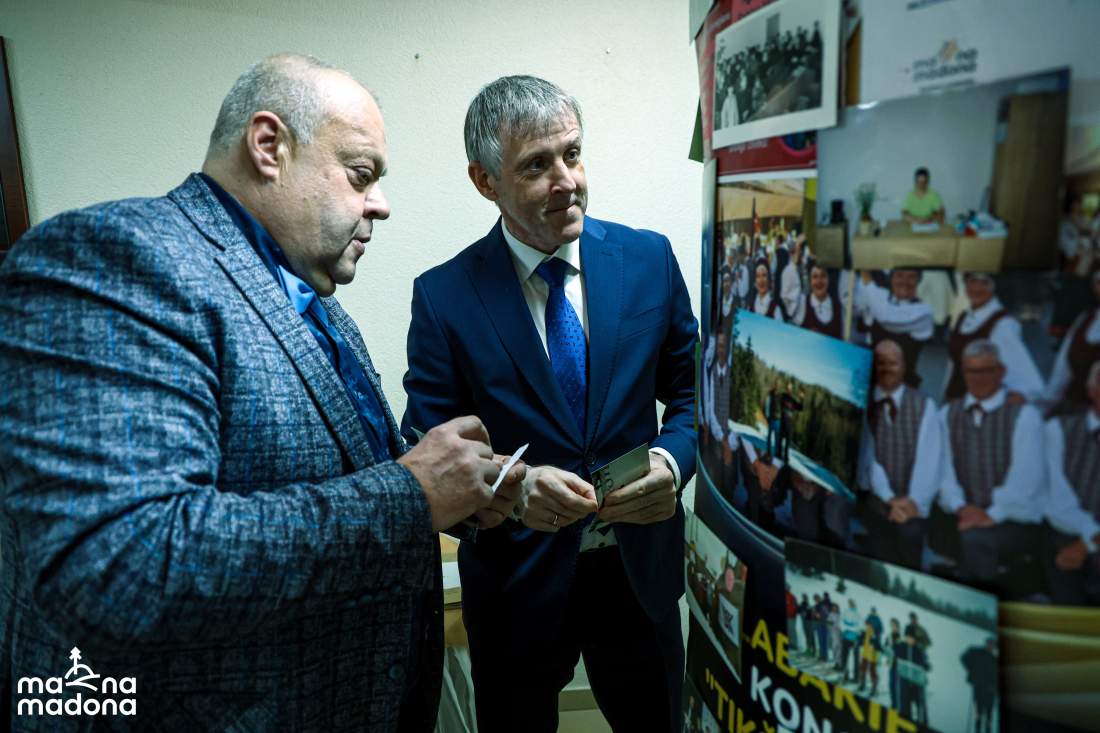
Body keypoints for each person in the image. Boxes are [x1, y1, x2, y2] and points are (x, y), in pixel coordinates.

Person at [0, 54, 520, 731]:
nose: (381, 204)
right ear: (269, 146)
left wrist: (472, 490)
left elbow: (351, 470)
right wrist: (413, 496)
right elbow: (124, 563)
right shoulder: (113, 257)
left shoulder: (319, 304)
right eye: (360, 174)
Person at [401, 76, 698, 733]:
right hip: (516, 593)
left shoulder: (648, 259)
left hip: (640, 577)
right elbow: (427, 448)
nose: (568, 181)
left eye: (573, 153)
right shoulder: (444, 298)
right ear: (485, 181)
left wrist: (671, 463)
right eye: (537, 165)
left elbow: (695, 393)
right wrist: (511, 490)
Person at [938, 340, 1045, 591]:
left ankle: (986, 597)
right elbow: (943, 471)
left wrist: (991, 515)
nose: (978, 378)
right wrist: (961, 506)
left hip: (1014, 516)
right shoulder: (948, 414)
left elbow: (1026, 480)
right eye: (971, 371)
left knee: (975, 539)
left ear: (1001, 372)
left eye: (986, 370)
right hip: (965, 512)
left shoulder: (1024, 416)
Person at [859, 340, 943, 569]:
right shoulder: (865, 402)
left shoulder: (924, 405)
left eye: (893, 363)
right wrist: (889, 498)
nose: (887, 368)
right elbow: (869, 459)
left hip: (914, 504)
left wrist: (911, 502)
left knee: (909, 550)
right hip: (879, 501)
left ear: (904, 366)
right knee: (881, 562)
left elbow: (930, 459)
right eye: (880, 363)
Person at [1042, 360, 1100, 606]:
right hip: (1066, 533)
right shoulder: (1057, 430)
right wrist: (1089, 539)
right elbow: (1056, 499)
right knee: (1059, 552)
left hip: (1087, 542)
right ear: (1090, 389)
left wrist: (1088, 544)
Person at [943, 272, 1044, 403]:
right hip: (955, 400)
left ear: (994, 286)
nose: (977, 288)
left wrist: (1018, 395)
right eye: (973, 282)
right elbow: (953, 365)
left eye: (984, 283)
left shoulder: (1003, 324)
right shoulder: (963, 317)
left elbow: (1020, 369)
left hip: (982, 403)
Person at [855, 268, 935, 387]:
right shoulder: (881, 300)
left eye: (911, 277)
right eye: (899, 275)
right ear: (891, 279)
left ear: (918, 281)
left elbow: (886, 317)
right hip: (872, 382)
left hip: (902, 386)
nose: (905, 281)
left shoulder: (924, 312)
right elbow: (856, 306)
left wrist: (868, 281)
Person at [1047, 270, 1100, 409]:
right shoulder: (1085, 318)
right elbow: (1062, 367)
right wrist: (1049, 402)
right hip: (1076, 407)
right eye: (1098, 282)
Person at [704, 333, 738, 493]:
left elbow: (737, 412)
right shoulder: (711, 373)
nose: (721, 349)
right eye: (719, 345)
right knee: (716, 482)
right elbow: (710, 410)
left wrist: (730, 442)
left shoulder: (733, 374)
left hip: (732, 442)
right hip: (717, 441)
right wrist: (722, 440)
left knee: (730, 486)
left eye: (724, 346)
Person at [960, 638, 998, 733]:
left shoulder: (994, 659)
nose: (991, 646)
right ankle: (977, 730)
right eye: (989, 643)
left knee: (989, 715)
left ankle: (988, 730)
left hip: (990, 690)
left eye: (992, 644)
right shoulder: (977, 652)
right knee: (979, 712)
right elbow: (964, 658)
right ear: (986, 643)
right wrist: (972, 673)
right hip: (980, 687)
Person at [894, 630, 931, 724]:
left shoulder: (919, 649)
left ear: (914, 639)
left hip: (917, 685)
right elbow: (893, 652)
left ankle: (923, 724)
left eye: (910, 637)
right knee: (905, 708)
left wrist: (925, 665)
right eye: (906, 637)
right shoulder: (902, 647)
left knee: (920, 708)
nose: (908, 639)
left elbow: (927, 664)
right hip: (905, 683)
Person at [799, 265, 843, 338]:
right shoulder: (802, 303)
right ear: (810, 282)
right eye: (815, 277)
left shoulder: (838, 307)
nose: (819, 281)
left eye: (823, 276)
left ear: (828, 280)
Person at [779, 235, 805, 325]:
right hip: (793, 320)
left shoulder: (799, 269)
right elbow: (784, 296)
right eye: (801, 249)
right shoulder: (788, 271)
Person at [857, 610, 883, 696]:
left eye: (869, 625)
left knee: (872, 671)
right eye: (866, 624)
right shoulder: (865, 632)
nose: (867, 626)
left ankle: (874, 687)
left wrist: (875, 643)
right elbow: (861, 641)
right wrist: (859, 640)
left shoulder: (874, 634)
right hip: (865, 653)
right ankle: (862, 683)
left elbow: (878, 645)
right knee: (862, 668)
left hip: (873, 655)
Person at [779, 383, 805, 462]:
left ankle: (786, 457)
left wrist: (801, 397)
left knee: (787, 441)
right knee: (780, 439)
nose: (788, 389)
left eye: (790, 388)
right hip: (782, 421)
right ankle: (779, 455)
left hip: (789, 423)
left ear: (791, 389)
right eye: (787, 387)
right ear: (786, 388)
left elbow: (800, 408)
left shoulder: (792, 400)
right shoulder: (783, 396)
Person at [839, 599, 861, 682]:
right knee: (844, 657)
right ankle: (845, 675)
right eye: (850, 603)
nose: (851, 604)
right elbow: (841, 623)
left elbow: (859, 627)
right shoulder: (846, 612)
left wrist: (848, 627)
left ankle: (856, 677)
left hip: (855, 640)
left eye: (852, 602)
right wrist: (845, 628)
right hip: (846, 638)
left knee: (855, 659)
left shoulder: (858, 614)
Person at [884, 618, 903, 710]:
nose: (893, 627)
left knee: (900, 686)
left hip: (900, 666)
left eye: (895, 625)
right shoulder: (889, 637)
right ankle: (894, 703)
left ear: (898, 627)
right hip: (892, 664)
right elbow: (885, 648)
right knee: (892, 684)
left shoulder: (902, 638)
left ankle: (900, 704)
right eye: (892, 626)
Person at [766, 378, 785, 457]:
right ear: (774, 384)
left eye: (779, 384)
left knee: (777, 437)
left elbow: (783, 407)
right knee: (769, 436)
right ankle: (768, 451)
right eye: (776, 383)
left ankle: (777, 453)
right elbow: (767, 404)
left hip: (778, 420)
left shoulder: (781, 395)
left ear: (780, 385)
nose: (777, 385)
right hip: (771, 418)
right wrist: (767, 415)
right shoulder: (771, 393)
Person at [786, 585, 799, 649]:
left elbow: (794, 607)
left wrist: (788, 612)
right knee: (788, 630)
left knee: (791, 630)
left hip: (790, 617)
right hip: (788, 616)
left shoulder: (791, 597)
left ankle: (793, 644)